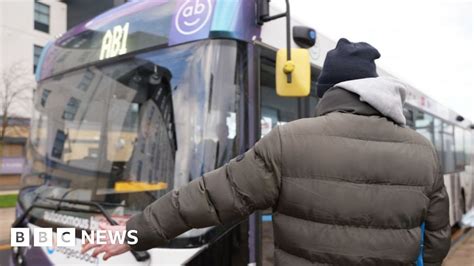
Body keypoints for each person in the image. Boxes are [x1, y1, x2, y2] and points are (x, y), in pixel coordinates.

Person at [82, 38, 451, 265]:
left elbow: (208, 197)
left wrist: (132, 233)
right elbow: (436, 241)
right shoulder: (423, 152)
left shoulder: (289, 140)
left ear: (328, 92)